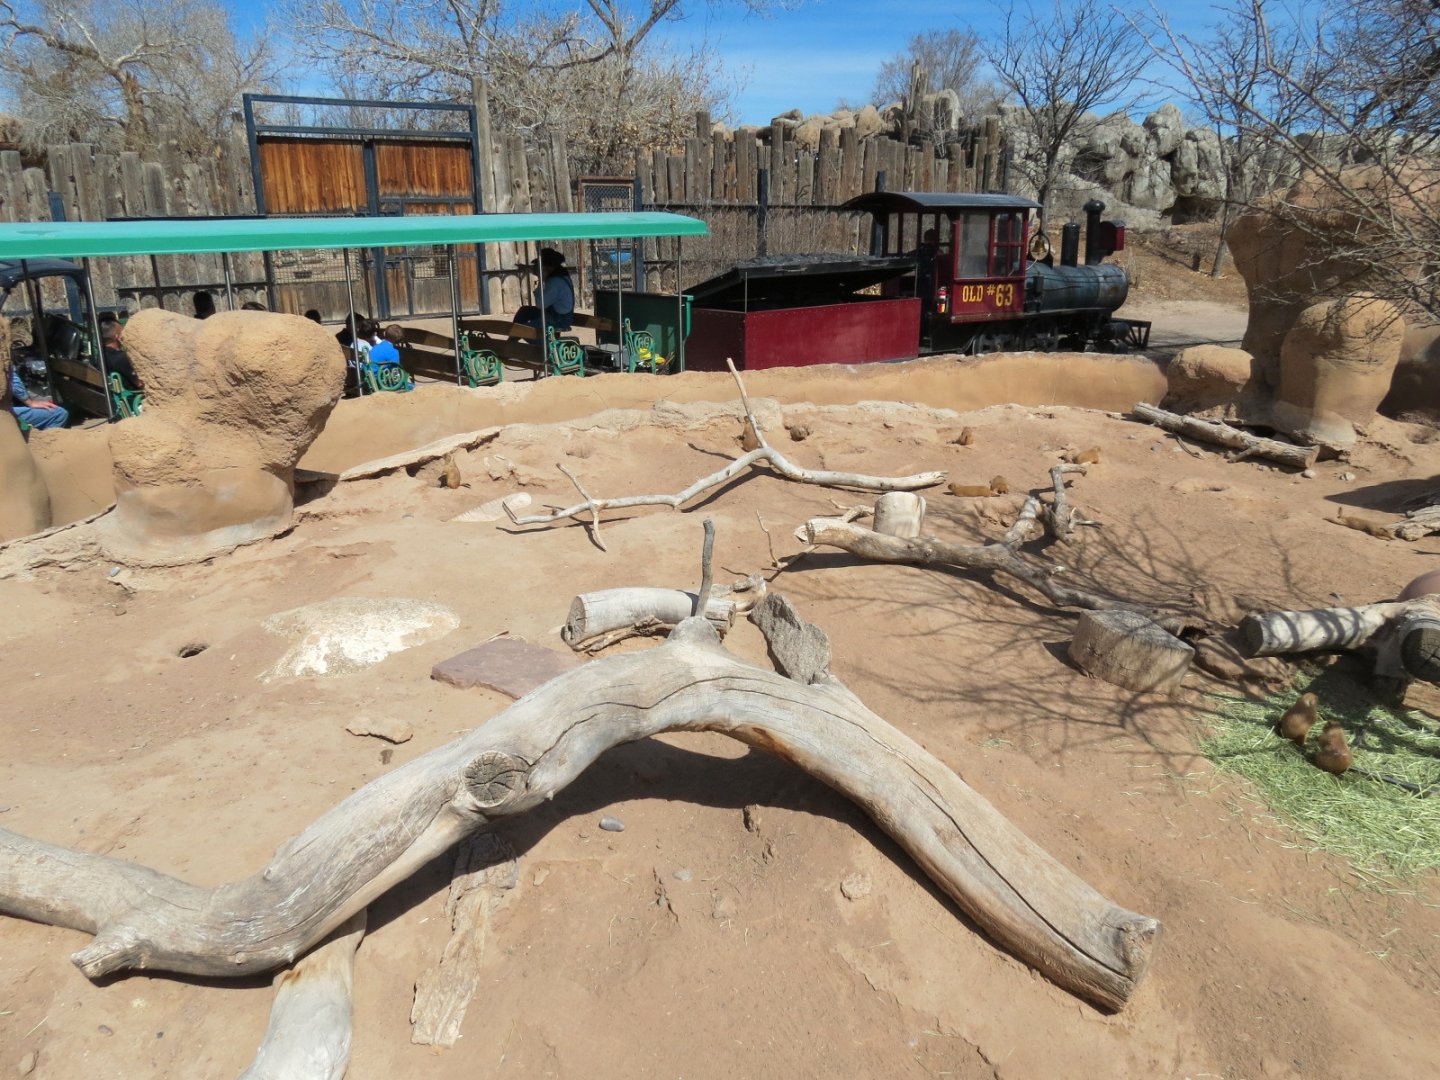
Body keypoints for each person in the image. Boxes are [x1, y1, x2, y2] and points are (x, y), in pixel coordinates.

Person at [514, 247, 574, 332]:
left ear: (546, 268)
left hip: (559, 320)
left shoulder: (555, 283)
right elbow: (535, 270)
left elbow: (540, 304)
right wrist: (527, 268)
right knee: (524, 311)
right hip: (553, 315)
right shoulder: (558, 276)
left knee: (525, 331)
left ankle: (543, 344)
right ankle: (511, 340)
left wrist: (540, 278)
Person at [98, 314, 142, 392]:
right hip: (130, 399)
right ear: (117, 337)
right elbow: (140, 383)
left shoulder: (101, 355)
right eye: (122, 332)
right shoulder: (121, 358)